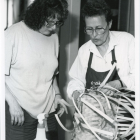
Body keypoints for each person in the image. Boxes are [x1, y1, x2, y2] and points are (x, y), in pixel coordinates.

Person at [67, 0, 135, 139]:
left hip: (125, 121)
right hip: (95, 124)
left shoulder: (126, 42)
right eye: (89, 29)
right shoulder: (85, 51)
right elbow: (76, 80)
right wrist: (76, 95)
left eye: (99, 28)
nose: (94, 35)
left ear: (109, 24)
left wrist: (119, 83)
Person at [5, 0, 68, 140]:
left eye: (58, 23)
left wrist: (57, 95)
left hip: (49, 111)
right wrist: (12, 103)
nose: (53, 28)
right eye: (49, 22)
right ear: (37, 15)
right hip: (20, 111)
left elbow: (52, 74)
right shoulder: (12, 34)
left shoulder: (54, 38)